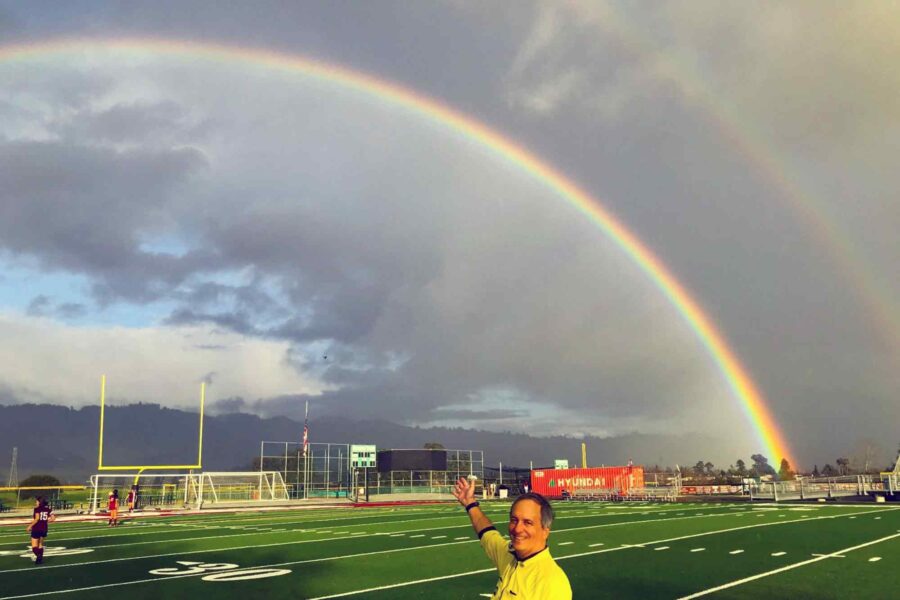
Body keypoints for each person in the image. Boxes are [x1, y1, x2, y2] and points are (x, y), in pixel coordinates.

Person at [453, 477, 571, 599]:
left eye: (527, 522)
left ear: (545, 531)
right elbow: (487, 533)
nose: (517, 529)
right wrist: (470, 503)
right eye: (514, 520)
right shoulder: (509, 555)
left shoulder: (552, 583)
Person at [25, 497, 56, 564]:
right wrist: (46, 520)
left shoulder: (37, 509)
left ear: (39, 502)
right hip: (44, 528)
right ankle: (39, 559)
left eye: (36, 501)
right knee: (40, 544)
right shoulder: (48, 509)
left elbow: (37, 519)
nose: (36, 502)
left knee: (34, 547)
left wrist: (30, 526)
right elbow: (53, 518)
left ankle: (39, 556)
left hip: (37, 528)